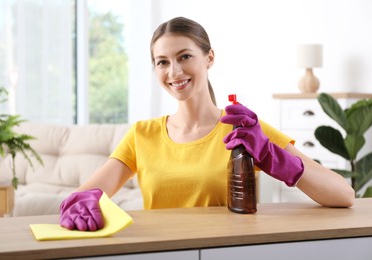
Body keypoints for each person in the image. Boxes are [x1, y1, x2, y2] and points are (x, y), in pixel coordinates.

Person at [59, 17, 355, 231]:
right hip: (160, 252)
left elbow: (343, 195)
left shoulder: (246, 130)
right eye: (162, 62)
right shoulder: (141, 135)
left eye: (184, 56)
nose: (174, 71)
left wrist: (270, 155)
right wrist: (80, 206)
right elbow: (83, 197)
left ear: (209, 58)